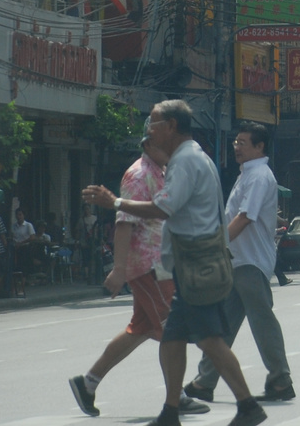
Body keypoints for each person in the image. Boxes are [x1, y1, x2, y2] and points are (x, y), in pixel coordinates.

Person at [83, 100, 266, 426]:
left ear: (170, 127)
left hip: (196, 264)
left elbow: (164, 208)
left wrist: (115, 202)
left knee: (209, 339)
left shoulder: (185, 162)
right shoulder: (189, 158)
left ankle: (248, 405)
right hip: (186, 265)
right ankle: (170, 411)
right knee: (172, 338)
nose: (149, 131)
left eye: (153, 124)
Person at [69, 135, 210, 419]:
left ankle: (88, 383)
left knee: (141, 329)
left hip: (159, 263)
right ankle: (177, 397)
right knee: (173, 331)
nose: (169, 149)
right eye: (163, 144)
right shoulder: (138, 175)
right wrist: (119, 269)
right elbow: (124, 224)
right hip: (148, 266)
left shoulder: (160, 171)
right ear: (148, 145)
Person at [187, 122, 295, 404]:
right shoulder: (248, 174)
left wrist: (217, 246)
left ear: (259, 147)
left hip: (250, 262)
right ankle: (204, 381)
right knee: (222, 324)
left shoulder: (258, 176)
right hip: (238, 261)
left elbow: (245, 217)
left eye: (243, 142)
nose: (237, 146)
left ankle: (280, 379)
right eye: (236, 142)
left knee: (262, 321)